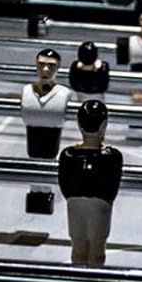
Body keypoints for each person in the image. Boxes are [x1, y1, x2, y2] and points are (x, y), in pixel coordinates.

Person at [57, 99, 123, 269]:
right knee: (97, 251)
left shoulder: (67, 155)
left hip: (75, 206)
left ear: (79, 125)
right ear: (104, 125)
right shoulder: (113, 157)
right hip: (100, 208)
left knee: (78, 249)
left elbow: (64, 185)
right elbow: (112, 188)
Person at [19, 49, 71, 159]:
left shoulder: (63, 93)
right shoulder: (27, 90)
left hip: (52, 144)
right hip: (33, 144)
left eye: (51, 66)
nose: (45, 69)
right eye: (41, 65)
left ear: (58, 68)